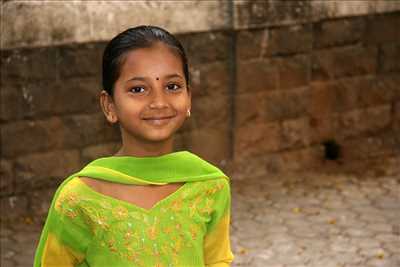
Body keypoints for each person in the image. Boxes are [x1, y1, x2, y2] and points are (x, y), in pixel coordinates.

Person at [33, 25, 234, 267]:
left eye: (172, 87)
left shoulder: (209, 185)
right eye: (138, 89)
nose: (159, 102)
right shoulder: (79, 199)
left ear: (188, 97)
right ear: (109, 106)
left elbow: (217, 261)